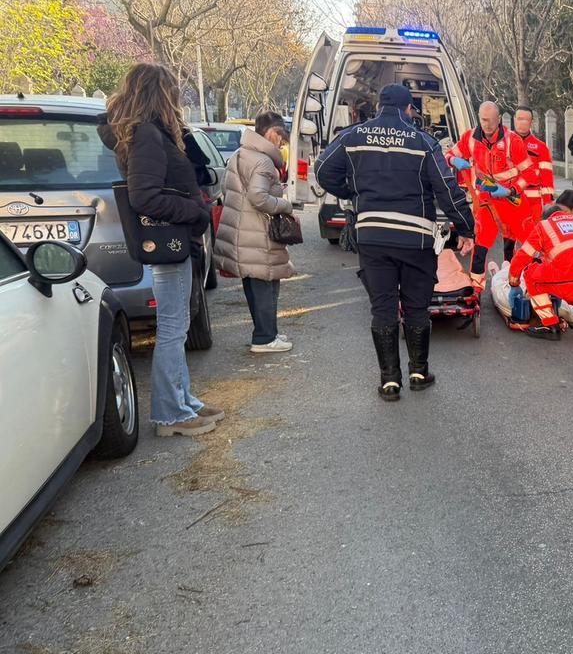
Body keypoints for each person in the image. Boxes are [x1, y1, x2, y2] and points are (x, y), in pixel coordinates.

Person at [316, 84, 475, 402]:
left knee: (383, 308)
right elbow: (446, 188)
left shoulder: (353, 137)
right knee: (417, 307)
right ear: (407, 110)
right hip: (416, 239)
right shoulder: (423, 142)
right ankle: (419, 373)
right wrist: (466, 228)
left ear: (378, 108)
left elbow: (322, 170)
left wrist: (352, 192)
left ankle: (389, 382)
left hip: (373, 238)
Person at [97, 63, 220, 437]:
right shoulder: (148, 135)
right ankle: (171, 413)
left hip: (173, 241)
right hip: (170, 241)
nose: (177, 99)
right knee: (172, 328)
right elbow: (145, 196)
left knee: (176, 325)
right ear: (158, 93)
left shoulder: (148, 133)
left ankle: (183, 400)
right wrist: (195, 212)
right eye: (173, 92)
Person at [213, 112, 296, 354]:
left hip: (242, 230)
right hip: (257, 232)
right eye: (280, 138)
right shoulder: (263, 161)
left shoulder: (239, 155)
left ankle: (266, 332)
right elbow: (258, 197)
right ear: (271, 133)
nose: (281, 144)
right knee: (266, 283)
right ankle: (265, 337)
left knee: (254, 283)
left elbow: (225, 189)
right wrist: (285, 205)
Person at [446, 101, 539, 289]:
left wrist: (510, 190)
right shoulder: (470, 138)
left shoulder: (513, 141)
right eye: (483, 120)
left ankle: (532, 282)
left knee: (529, 245)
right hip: (487, 202)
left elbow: (529, 173)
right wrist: (453, 160)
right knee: (480, 245)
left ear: (499, 119)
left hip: (511, 202)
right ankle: (476, 287)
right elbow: (447, 154)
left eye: (491, 120)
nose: (487, 125)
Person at [507, 190, 573, 342]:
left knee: (532, 275)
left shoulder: (544, 226)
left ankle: (549, 325)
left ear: (547, 217)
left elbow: (523, 256)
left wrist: (514, 281)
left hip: (570, 280)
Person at [513, 106, 555, 207]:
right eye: (519, 119)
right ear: (514, 120)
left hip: (532, 204)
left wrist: (548, 203)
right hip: (508, 201)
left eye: (526, 120)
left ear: (531, 122)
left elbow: (547, 178)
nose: (522, 122)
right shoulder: (504, 144)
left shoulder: (541, 147)